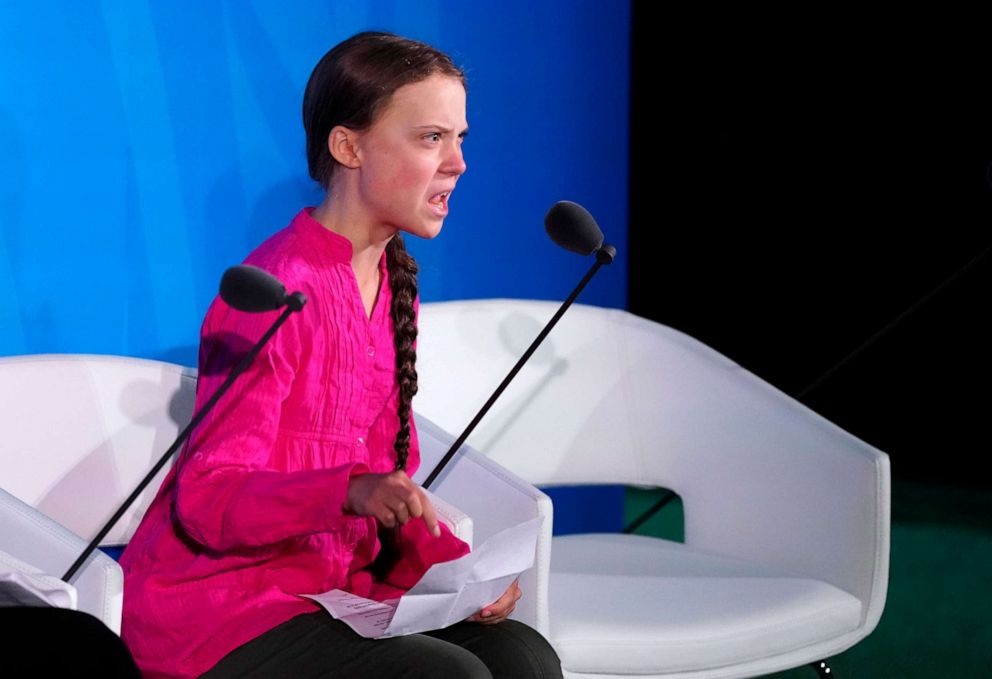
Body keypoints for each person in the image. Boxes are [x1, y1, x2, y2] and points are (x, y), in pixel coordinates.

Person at [119, 31, 562, 679]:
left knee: (523, 653)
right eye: (431, 137)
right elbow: (210, 501)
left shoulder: (391, 283)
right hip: (221, 612)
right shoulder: (273, 291)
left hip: (330, 595)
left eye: (460, 137)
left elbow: (392, 489)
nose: (458, 162)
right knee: (447, 674)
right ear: (348, 145)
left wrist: (459, 573)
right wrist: (347, 491)